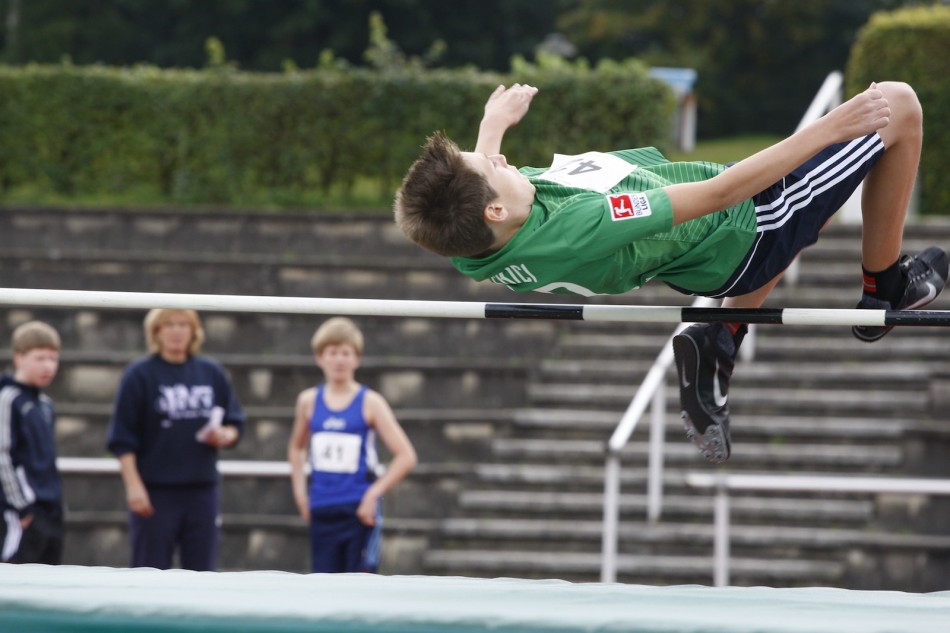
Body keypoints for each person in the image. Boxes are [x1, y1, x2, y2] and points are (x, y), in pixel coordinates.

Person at [393, 82, 947, 464]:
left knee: (752, 240)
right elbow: (720, 194)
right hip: (749, 223)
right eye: (491, 163)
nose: (501, 158)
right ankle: (885, 288)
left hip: (707, 258)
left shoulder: (474, 244)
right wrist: (829, 127)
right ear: (493, 208)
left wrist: (491, 130)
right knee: (898, 106)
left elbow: (476, 202)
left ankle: (721, 338)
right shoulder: (582, 224)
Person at [106, 308, 245, 571]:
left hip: (201, 490)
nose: (176, 331)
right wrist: (134, 487)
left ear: (194, 331)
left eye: (183, 324)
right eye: (168, 325)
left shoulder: (211, 372)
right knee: (150, 572)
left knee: (202, 573)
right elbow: (122, 438)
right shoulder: (140, 375)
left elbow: (235, 423)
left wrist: (225, 435)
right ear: (156, 332)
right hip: (155, 491)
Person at [288, 317, 417, 573]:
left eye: (345, 353)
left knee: (359, 591)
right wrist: (301, 495)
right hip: (322, 509)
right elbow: (296, 447)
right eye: (332, 352)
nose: (339, 360)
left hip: (358, 512)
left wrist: (373, 494)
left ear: (356, 358)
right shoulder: (308, 402)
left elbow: (406, 456)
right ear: (319, 357)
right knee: (323, 591)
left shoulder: (370, 402)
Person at [0, 321, 64, 564]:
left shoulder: (45, 405)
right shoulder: (8, 399)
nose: (48, 366)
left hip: (51, 511)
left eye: (53, 358)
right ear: (19, 357)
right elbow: (3, 455)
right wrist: (21, 507)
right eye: (40, 358)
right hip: (23, 514)